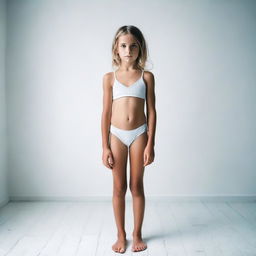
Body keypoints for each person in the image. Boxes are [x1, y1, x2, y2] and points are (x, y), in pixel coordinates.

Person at [101, 25, 157, 253]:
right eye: (123, 45)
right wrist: (104, 146)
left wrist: (151, 143)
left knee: (136, 185)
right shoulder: (109, 78)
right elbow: (105, 113)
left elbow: (152, 111)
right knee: (118, 187)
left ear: (140, 48)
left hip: (139, 134)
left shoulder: (146, 77)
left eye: (133, 45)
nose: (128, 50)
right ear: (116, 48)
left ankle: (137, 234)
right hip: (116, 134)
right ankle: (120, 235)